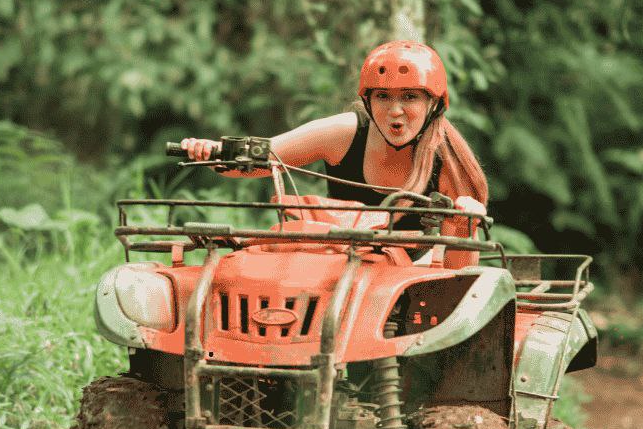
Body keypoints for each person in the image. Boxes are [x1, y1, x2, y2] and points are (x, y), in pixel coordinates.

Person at [180, 41, 488, 267]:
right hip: (336, 263)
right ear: (368, 101)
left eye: (409, 97)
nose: (396, 111)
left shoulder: (448, 163)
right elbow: (264, 157)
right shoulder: (345, 133)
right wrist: (213, 153)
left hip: (407, 278)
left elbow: (459, 274)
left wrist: (465, 224)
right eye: (383, 96)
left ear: (433, 104)